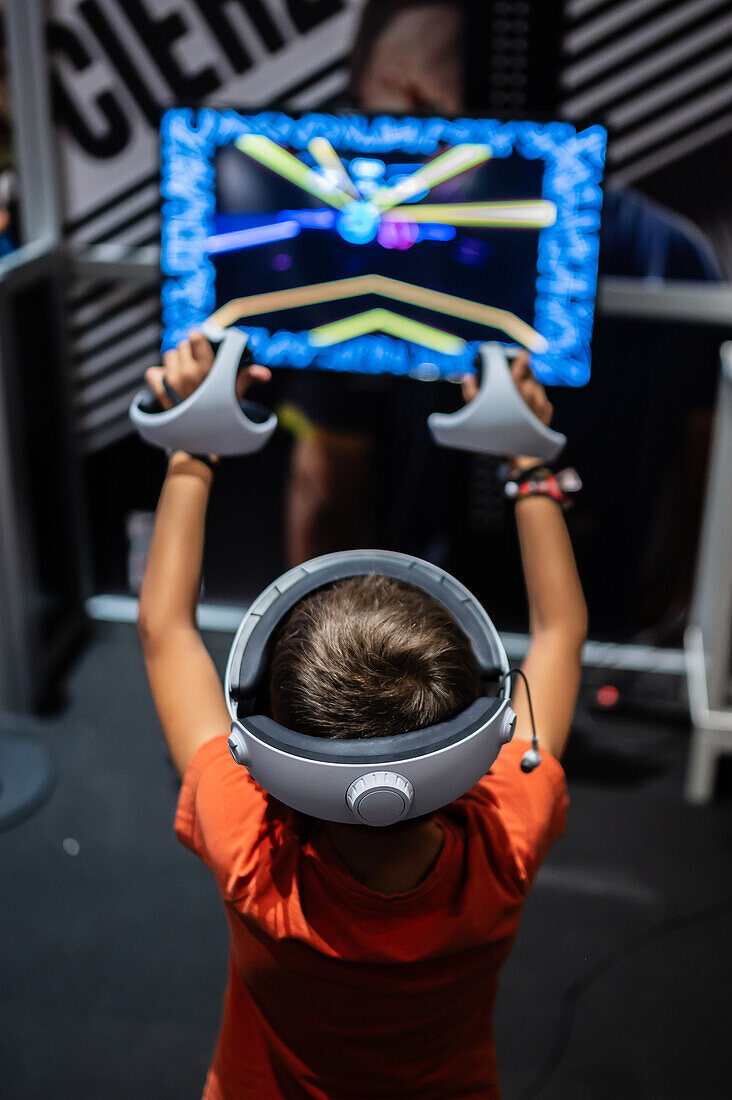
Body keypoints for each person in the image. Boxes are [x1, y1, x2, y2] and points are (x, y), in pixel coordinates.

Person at [137, 331, 587, 1098]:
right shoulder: (507, 837)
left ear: (268, 743)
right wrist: (530, 465)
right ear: (483, 732)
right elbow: (562, 633)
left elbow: (164, 630)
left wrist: (194, 446)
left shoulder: (251, 850)